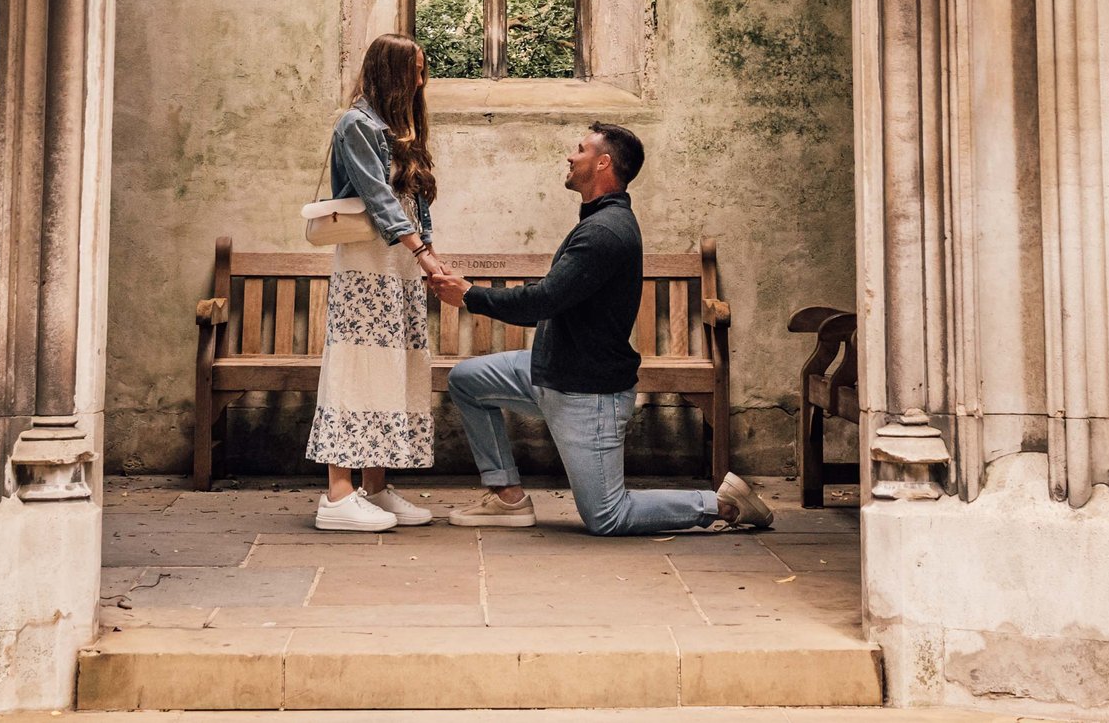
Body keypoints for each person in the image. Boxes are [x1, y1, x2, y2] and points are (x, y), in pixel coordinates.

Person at [425, 123, 773, 535]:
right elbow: (555, 297)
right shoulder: (597, 222)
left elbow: (542, 301)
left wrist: (467, 294)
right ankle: (507, 497)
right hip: (549, 371)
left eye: (581, 150)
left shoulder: (606, 232)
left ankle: (721, 503)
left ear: (603, 162)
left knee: (608, 516)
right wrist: (463, 289)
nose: (571, 157)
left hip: (587, 393)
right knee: (467, 379)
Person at [307, 33, 460, 532]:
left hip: (400, 272)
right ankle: (336, 495)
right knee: (356, 367)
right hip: (366, 271)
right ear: (391, 73)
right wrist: (422, 253)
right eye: (414, 71)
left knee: (391, 369)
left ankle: (373, 488)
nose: (421, 81)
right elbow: (378, 198)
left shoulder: (400, 129)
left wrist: (430, 258)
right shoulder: (356, 124)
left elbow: (416, 202)